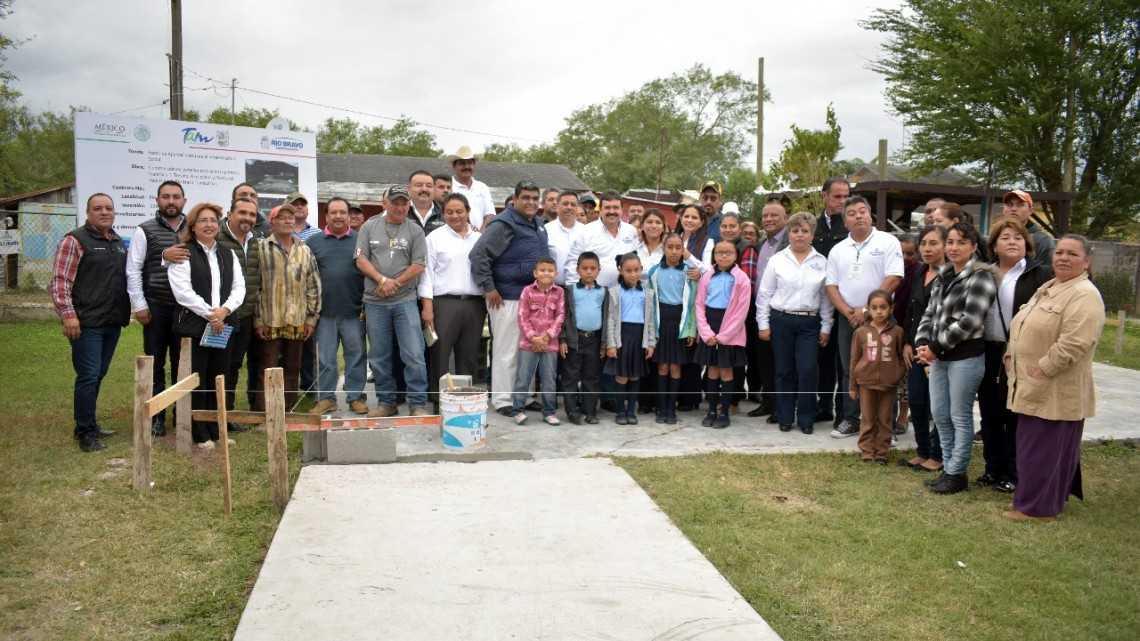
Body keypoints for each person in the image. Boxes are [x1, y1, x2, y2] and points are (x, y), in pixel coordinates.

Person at [1003, 235, 1104, 521]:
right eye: (1059, 252)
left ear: (1086, 262)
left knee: (1044, 451)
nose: (1063, 257)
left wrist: (1042, 369)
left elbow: (1076, 342)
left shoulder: (1084, 294)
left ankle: (1038, 509)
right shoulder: (1049, 287)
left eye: (1072, 254)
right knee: (1033, 447)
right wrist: (1010, 354)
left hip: (1055, 385)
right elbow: (1022, 324)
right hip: (1032, 383)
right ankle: (1035, 502)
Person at [915, 222, 997, 495]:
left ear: (974, 246)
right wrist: (923, 344)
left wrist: (935, 347)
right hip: (938, 357)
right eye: (950, 242)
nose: (953, 247)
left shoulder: (981, 277)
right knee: (939, 414)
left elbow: (970, 321)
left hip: (965, 357)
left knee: (959, 416)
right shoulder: (942, 276)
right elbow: (929, 314)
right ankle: (949, 467)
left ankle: (956, 471)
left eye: (961, 242)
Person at [976, 219, 1054, 493]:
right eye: (1005, 237)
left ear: (1027, 244)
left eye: (1018, 237)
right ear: (994, 246)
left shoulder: (1041, 274)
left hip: (1019, 354)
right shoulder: (983, 274)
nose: (1012, 241)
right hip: (987, 351)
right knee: (989, 414)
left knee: (1015, 414)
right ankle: (992, 468)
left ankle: (1013, 472)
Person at [51, 193, 130, 452]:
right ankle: (84, 431)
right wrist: (68, 314)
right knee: (87, 376)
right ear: (88, 212)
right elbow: (61, 280)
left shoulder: (118, 242)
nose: (104, 212)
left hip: (111, 321)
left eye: (109, 208)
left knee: (99, 374)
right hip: (86, 323)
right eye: (98, 208)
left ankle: (90, 423)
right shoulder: (74, 241)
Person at [825, 195, 904, 438]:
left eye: (862, 211)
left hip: (881, 319)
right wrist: (849, 311)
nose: (858, 216)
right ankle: (850, 419)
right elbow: (831, 286)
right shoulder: (838, 250)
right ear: (845, 221)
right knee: (852, 369)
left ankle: (884, 425)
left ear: (871, 216)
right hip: (849, 320)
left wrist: (868, 311)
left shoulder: (888, 242)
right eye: (852, 213)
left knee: (884, 369)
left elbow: (894, 277)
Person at [469, 181, 550, 415]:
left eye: (535, 198)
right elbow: (478, 254)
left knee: (528, 349)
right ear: (514, 199)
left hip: (532, 297)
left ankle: (522, 398)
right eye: (526, 197)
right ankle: (504, 400)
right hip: (507, 297)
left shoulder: (538, 223)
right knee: (507, 351)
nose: (531, 202)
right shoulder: (504, 223)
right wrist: (489, 287)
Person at [169, 203, 245, 449]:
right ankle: (200, 432)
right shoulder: (184, 253)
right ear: (193, 225)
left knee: (218, 378)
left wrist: (224, 311)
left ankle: (217, 429)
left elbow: (239, 287)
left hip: (223, 326)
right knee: (197, 378)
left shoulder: (228, 253)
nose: (209, 225)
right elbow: (183, 292)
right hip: (195, 326)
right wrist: (210, 314)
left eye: (213, 220)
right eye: (203, 220)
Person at [755, 212, 834, 434]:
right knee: (783, 371)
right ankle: (785, 415)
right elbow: (765, 293)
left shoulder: (821, 262)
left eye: (805, 231)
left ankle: (806, 418)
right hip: (781, 320)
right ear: (789, 233)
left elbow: (825, 297)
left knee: (808, 370)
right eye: (795, 230)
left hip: (810, 323)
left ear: (812, 234)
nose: (800, 235)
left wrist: (826, 326)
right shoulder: (778, 260)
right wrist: (763, 324)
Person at [354, 185, 429, 417]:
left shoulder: (415, 230)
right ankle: (387, 402)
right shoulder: (369, 226)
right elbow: (361, 259)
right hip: (375, 303)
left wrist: (392, 284)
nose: (400, 207)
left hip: (405, 301)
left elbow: (419, 264)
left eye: (404, 203)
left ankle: (417, 404)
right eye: (395, 202)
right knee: (379, 356)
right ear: (384, 203)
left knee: (414, 354)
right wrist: (381, 279)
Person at [126, 180, 188, 436]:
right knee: (155, 363)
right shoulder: (145, 230)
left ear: (184, 200)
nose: (170, 201)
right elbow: (133, 269)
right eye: (166, 196)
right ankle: (156, 417)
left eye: (176, 197)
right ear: (158, 200)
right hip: (157, 307)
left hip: (185, 309)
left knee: (182, 364)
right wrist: (139, 305)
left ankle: (181, 415)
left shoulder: (193, 227)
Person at [419, 194, 486, 412]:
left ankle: (466, 400)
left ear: (467, 212)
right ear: (443, 213)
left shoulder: (479, 239)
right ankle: (440, 403)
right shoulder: (434, 239)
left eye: (459, 211)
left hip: (474, 304)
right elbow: (426, 274)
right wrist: (427, 307)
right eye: (450, 212)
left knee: (468, 355)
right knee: (440, 353)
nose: (455, 216)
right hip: (443, 304)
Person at [255, 204, 322, 411]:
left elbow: (313, 285)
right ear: (272, 223)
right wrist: (257, 319)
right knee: (268, 367)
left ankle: (288, 409)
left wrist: (311, 318)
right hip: (270, 318)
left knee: (293, 367)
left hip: (297, 319)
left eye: (290, 217)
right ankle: (264, 411)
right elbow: (255, 286)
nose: (287, 221)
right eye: (281, 217)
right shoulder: (261, 249)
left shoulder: (304, 250)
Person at [307, 197, 367, 416]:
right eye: (334, 212)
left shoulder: (361, 240)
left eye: (343, 212)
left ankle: (356, 398)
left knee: (357, 355)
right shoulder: (313, 242)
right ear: (327, 216)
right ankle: (326, 399)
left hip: (354, 311)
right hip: (324, 313)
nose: (339, 216)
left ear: (349, 215)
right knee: (325, 358)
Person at [900, 226, 948, 472]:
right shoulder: (920, 272)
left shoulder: (951, 275)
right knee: (917, 401)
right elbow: (911, 311)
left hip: (940, 350)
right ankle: (922, 451)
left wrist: (936, 348)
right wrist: (908, 342)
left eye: (934, 243)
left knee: (938, 406)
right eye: (924, 244)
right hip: (917, 348)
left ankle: (938, 455)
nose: (927, 249)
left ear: (945, 245)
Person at [693, 241, 751, 429]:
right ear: (714, 255)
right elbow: (700, 304)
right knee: (712, 370)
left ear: (735, 255)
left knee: (726, 371)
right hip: (710, 326)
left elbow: (741, 311)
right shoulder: (707, 276)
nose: (723, 256)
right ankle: (711, 411)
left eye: (728, 253)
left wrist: (724, 336)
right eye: (720, 252)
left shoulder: (741, 278)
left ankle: (724, 412)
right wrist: (706, 332)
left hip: (730, 331)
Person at [216, 196, 262, 428]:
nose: (247, 218)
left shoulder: (256, 242)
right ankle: (211, 415)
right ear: (230, 214)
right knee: (217, 366)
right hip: (220, 317)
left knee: (234, 366)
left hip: (244, 316)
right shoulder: (215, 238)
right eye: (242, 213)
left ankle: (228, 414)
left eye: (252, 214)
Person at [849, 290, 906, 464]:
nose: (879, 311)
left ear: (891, 308)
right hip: (866, 383)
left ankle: (881, 452)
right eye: (874, 308)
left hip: (888, 385)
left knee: (885, 419)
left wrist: (896, 374)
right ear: (869, 309)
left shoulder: (897, 332)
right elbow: (854, 359)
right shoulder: (860, 332)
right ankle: (867, 451)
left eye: (883, 307)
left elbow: (901, 357)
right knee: (867, 418)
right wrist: (852, 385)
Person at [647, 234, 698, 425]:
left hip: (680, 323)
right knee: (662, 366)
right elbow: (650, 303)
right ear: (664, 248)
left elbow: (692, 303)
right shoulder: (654, 271)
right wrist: (651, 331)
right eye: (670, 247)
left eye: (678, 247)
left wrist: (691, 330)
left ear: (682, 249)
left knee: (676, 366)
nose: (674, 251)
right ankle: (661, 407)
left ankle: (671, 407)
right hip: (661, 322)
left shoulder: (689, 272)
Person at [812, 178, 851, 424]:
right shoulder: (813, 226)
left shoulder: (851, 227)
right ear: (825, 196)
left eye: (846, 196)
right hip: (818, 303)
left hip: (845, 303)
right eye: (837, 196)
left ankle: (844, 411)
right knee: (822, 360)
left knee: (844, 362)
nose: (842, 201)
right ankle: (824, 406)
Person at [744, 202, 789, 419]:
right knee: (764, 358)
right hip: (759, 308)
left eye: (774, 215)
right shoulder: (762, 243)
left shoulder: (791, 242)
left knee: (781, 360)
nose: (769, 219)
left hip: (781, 309)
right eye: (765, 215)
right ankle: (769, 402)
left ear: (785, 218)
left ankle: (783, 405)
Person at [603, 253, 657, 425]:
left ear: (641, 270)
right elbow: (611, 319)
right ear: (620, 271)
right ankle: (620, 411)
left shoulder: (648, 293)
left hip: (639, 338)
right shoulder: (614, 292)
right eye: (628, 270)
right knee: (621, 377)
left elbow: (650, 320)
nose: (633, 274)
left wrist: (651, 342)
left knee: (635, 376)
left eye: (636, 270)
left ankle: (631, 410)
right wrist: (611, 343)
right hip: (622, 338)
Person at [511, 257, 565, 425]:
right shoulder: (527, 291)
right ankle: (518, 410)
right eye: (542, 270)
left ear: (556, 274)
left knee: (549, 379)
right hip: (528, 344)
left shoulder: (560, 292)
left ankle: (549, 412)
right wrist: (534, 338)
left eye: (550, 271)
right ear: (535, 273)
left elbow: (560, 316)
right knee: (523, 378)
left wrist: (547, 337)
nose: (546, 273)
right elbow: (522, 317)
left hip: (550, 344)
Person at [559, 252, 608, 425]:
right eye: (584, 268)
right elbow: (564, 317)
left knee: (592, 377)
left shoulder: (603, 291)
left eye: (593, 269)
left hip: (594, 341)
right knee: (571, 376)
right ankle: (572, 411)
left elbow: (606, 317)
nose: (589, 272)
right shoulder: (570, 290)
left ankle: (590, 411)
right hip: (575, 340)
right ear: (577, 270)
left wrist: (604, 343)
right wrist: (563, 340)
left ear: (599, 271)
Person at [566, 190, 640, 289]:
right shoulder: (585, 232)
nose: (612, 211)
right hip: (594, 294)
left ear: (622, 210)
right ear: (600, 209)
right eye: (607, 208)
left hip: (624, 293)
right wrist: (574, 292)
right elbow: (572, 263)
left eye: (616, 207)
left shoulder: (631, 231)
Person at [633, 208, 667, 415]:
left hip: (663, 307)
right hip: (638, 306)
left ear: (664, 226)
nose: (654, 225)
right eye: (650, 221)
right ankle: (644, 401)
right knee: (642, 352)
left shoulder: (670, 248)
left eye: (658, 222)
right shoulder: (634, 249)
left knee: (660, 353)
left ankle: (659, 400)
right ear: (642, 225)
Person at [446, 146, 496, 230]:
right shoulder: (448, 186)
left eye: (469, 163)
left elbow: (490, 214)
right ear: (454, 166)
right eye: (462, 163)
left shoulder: (482, 187)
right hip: (455, 236)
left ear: (474, 165)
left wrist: (480, 236)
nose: (466, 167)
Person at [1002, 189, 1055, 262]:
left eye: (1020, 205)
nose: (1013, 209)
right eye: (1009, 204)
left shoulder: (1042, 241)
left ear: (1030, 211)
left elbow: (1047, 270)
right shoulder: (997, 237)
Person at [546, 190, 582, 286]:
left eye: (573, 204)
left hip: (581, 290)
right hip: (553, 290)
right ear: (557, 206)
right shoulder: (546, 230)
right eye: (565, 204)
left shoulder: (586, 231)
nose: (569, 207)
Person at [407, 170, 445, 235]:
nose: (424, 189)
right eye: (419, 185)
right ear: (408, 188)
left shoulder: (445, 214)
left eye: (429, 186)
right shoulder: (398, 212)